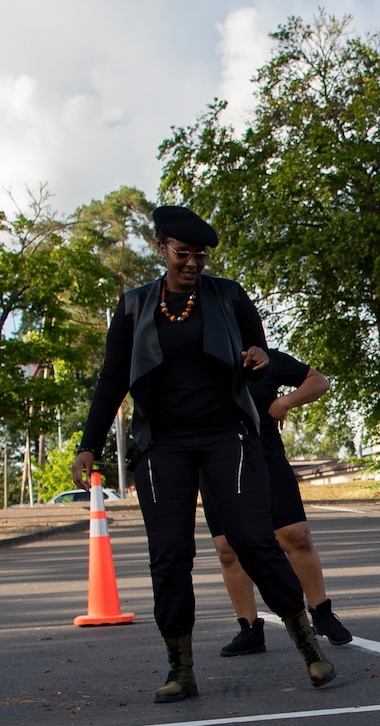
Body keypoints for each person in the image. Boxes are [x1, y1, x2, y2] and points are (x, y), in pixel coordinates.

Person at [72, 207, 336, 701]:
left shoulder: (228, 295)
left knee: (254, 542)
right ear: (161, 250)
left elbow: (258, 351)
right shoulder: (133, 307)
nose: (193, 263)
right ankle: (181, 668)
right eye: (182, 254)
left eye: (201, 256)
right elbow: (112, 380)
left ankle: (308, 648)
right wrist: (89, 442)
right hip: (162, 446)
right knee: (170, 557)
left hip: (225, 437)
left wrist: (257, 357)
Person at [206, 349, 353, 655]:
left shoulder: (265, 359)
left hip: (265, 456)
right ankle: (249, 630)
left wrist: (286, 401)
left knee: (295, 536)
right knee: (227, 549)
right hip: (215, 461)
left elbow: (319, 382)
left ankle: (322, 614)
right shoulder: (203, 360)